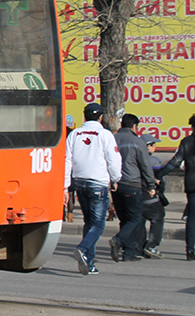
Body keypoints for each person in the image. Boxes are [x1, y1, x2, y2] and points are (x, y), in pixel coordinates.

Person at [64, 102, 121, 274]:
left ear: (84, 116)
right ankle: (83, 249)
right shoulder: (105, 134)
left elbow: (67, 160)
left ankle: (89, 262)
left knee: (89, 222)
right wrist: (115, 178)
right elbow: (113, 159)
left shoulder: (75, 134)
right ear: (101, 117)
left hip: (79, 182)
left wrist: (65, 186)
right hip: (98, 183)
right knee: (98, 224)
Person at [110, 113, 151, 262]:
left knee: (124, 219)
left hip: (115, 184)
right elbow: (145, 165)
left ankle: (128, 253)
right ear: (134, 126)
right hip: (132, 184)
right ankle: (118, 240)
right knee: (135, 218)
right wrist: (151, 184)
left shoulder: (112, 139)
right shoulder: (137, 142)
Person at [156, 113, 195, 260]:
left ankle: (190, 250)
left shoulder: (187, 142)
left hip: (191, 184)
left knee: (192, 218)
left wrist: (159, 175)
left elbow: (175, 162)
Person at [137, 134, 166, 259]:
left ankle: (139, 247)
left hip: (137, 196)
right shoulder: (154, 161)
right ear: (148, 146)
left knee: (140, 221)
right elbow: (161, 181)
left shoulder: (133, 159)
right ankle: (151, 245)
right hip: (151, 196)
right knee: (158, 218)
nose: (154, 147)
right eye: (153, 145)